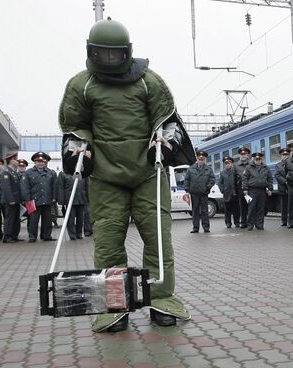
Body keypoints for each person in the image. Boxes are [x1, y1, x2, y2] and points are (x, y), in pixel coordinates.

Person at [58, 18, 194, 333]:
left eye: (114, 54)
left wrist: (163, 138)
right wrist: (79, 146)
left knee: (157, 238)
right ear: (91, 52)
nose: (108, 60)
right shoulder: (82, 85)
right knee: (107, 241)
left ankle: (162, 299)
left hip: (148, 171)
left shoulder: (149, 81)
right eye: (102, 54)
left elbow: (166, 117)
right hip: (105, 175)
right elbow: (76, 124)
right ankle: (114, 306)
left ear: (127, 52)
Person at [20, 152, 57, 242]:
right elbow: (25, 187)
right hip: (33, 201)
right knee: (33, 221)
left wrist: (54, 197)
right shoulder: (28, 173)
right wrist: (27, 199)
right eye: (38, 161)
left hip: (47, 200)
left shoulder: (50, 172)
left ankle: (46, 236)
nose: (40, 163)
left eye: (42, 162)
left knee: (47, 220)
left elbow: (54, 186)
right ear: (35, 162)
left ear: (44, 162)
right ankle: (32, 237)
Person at [184, 150, 215, 233]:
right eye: (199, 159)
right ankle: (195, 228)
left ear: (204, 160)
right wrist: (187, 191)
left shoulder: (208, 169)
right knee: (195, 211)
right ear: (197, 159)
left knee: (205, 211)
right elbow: (187, 180)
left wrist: (207, 187)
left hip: (204, 193)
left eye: (202, 159)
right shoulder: (191, 169)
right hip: (194, 193)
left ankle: (206, 227)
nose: (201, 161)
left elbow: (212, 179)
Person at [242, 152, 273, 231]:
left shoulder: (266, 168)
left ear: (261, 159)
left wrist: (270, 188)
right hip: (252, 190)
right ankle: (250, 225)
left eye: (259, 159)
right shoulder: (249, 167)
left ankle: (259, 225)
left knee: (261, 208)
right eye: (256, 159)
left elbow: (270, 179)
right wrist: (245, 189)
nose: (258, 161)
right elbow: (245, 178)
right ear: (254, 159)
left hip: (262, 191)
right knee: (251, 208)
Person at [57, 171, 88, 240]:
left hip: (81, 198)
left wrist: (88, 198)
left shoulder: (82, 173)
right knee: (70, 218)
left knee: (80, 218)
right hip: (69, 199)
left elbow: (86, 186)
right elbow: (60, 188)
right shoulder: (63, 173)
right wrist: (61, 201)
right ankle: (72, 235)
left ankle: (79, 233)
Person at [0, 154, 23, 243]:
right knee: (10, 219)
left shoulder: (14, 172)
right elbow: (6, 187)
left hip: (16, 200)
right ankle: (7, 236)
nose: (18, 162)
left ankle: (14, 235)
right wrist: (11, 200)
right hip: (10, 201)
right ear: (11, 160)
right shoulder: (6, 172)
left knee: (16, 219)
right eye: (16, 160)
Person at [218, 156, 239, 228]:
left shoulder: (235, 172)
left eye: (229, 163)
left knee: (236, 209)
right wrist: (222, 190)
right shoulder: (222, 173)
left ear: (232, 163)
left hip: (234, 193)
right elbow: (220, 183)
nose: (228, 164)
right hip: (226, 193)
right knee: (227, 210)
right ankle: (228, 223)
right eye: (226, 163)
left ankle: (237, 222)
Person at [234, 147, 251, 228]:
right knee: (242, 207)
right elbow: (233, 178)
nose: (243, 155)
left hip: (251, 189)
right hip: (240, 189)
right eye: (242, 154)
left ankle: (250, 222)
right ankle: (243, 222)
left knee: (251, 207)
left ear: (248, 155)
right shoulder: (236, 166)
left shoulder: (251, 164)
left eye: (245, 154)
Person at [274, 148, 290, 226]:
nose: (285, 156)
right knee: (283, 206)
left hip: (291, 187)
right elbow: (277, 175)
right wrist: (285, 181)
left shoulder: (292, 163)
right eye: (283, 155)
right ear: (281, 156)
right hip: (283, 188)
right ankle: (284, 221)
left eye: (286, 155)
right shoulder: (278, 165)